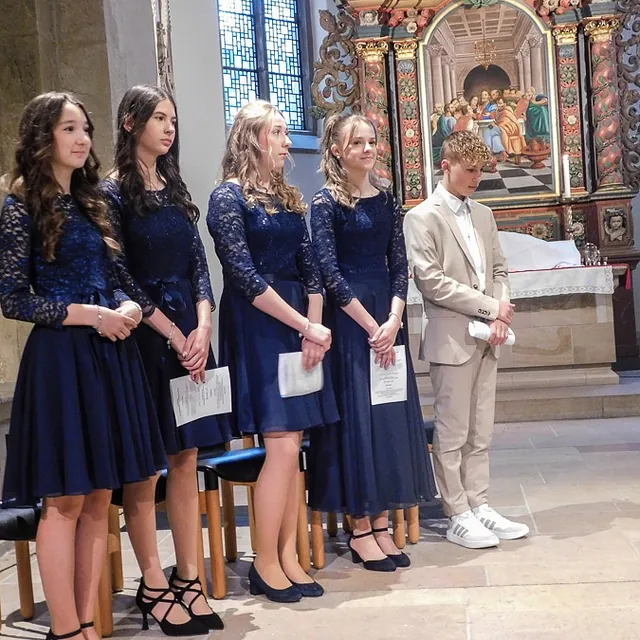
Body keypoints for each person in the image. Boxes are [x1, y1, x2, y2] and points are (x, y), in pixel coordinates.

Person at [0, 92, 167, 640]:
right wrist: (90, 315)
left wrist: (127, 306)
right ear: (42, 135)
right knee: (66, 498)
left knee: (99, 496)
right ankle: (66, 630)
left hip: (109, 355)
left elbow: (115, 279)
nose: (81, 139)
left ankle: (89, 624)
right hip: (62, 361)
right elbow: (13, 300)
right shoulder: (20, 205)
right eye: (69, 128)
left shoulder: (93, 202)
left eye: (86, 129)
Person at [100, 85, 226, 634]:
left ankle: (189, 578)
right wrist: (175, 334)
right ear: (131, 123)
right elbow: (120, 276)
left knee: (186, 459)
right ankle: (152, 582)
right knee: (147, 466)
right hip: (145, 338)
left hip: (190, 336)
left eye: (173, 119)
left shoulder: (174, 186)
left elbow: (199, 264)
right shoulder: (111, 193)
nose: (169, 128)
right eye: (158, 118)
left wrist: (203, 326)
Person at [207, 100, 338, 603]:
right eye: (279, 133)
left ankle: (287, 556)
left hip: (298, 327)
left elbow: (311, 267)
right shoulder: (227, 198)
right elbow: (242, 276)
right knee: (281, 445)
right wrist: (304, 324)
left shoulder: (287, 197)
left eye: (286, 133)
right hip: (260, 324)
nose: (287, 143)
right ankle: (265, 562)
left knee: (293, 444)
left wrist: (314, 328)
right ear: (254, 139)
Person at [307, 113, 436, 572]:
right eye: (356, 142)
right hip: (350, 322)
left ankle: (382, 523)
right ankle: (361, 527)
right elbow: (328, 272)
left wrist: (394, 319)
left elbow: (399, 265)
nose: (367, 148)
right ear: (337, 151)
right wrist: (369, 325)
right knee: (359, 419)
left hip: (387, 317)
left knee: (387, 418)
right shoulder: (325, 203)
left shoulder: (386, 200)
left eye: (371, 141)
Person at [404, 131, 530, 549]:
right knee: (453, 431)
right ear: (446, 166)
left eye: (481, 171)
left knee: (480, 431)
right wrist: (491, 308)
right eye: (470, 170)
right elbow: (432, 282)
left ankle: (479, 504)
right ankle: (456, 512)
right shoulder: (422, 217)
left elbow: (499, 270)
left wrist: (501, 310)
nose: (477, 178)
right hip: (452, 338)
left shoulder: (484, 215)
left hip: (488, 337)